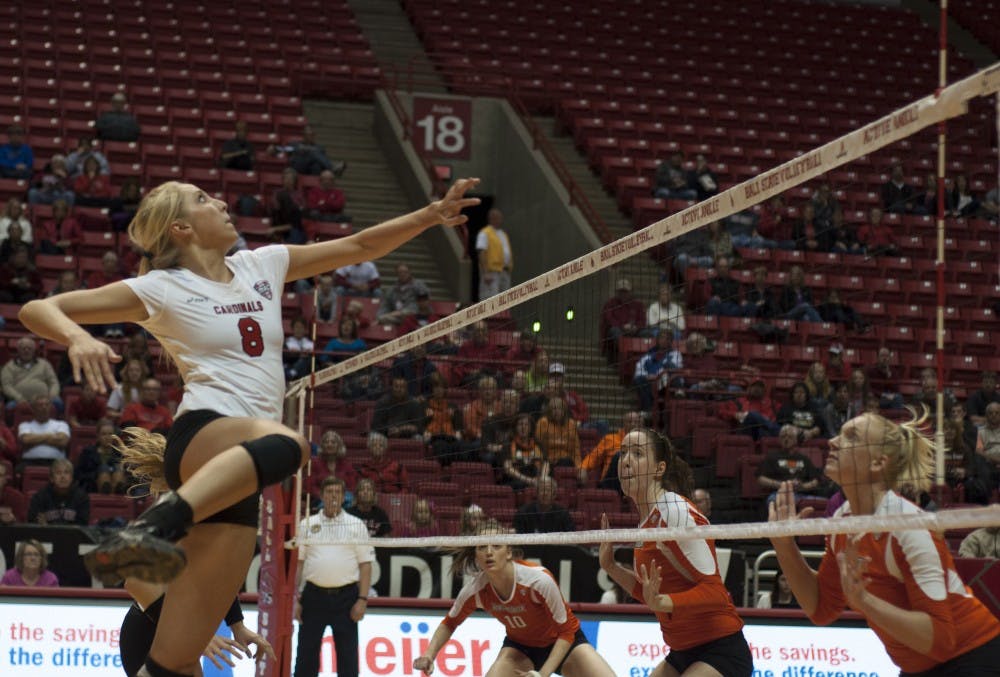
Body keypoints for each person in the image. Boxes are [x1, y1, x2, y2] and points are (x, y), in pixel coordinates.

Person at [17, 176, 479, 677]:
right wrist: (75, 338)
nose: (219, 202)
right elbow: (37, 308)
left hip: (243, 475)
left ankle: (163, 529)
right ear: (182, 228)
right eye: (202, 200)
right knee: (291, 444)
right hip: (205, 432)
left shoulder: (263, 264)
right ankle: (153, 526)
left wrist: (431, 215)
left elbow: (360, 245)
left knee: (174, 667)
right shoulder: (162, 288)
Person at [769, 410, 1000, 675]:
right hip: (919, 666)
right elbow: (822, 608)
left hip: (974, 656)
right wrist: (785, 547)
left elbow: (941, 640)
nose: (832, 441)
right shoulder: (842, 524)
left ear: (878, 463)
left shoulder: (908, 527)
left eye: (851, 436)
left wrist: (865, 602)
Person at [599, 428, 753, 676]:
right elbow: (649, 593)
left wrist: (663, 602)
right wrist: (612, 568)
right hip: (681, 651)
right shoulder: (645, 522)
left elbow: (715, 592)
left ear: (659, 469)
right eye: (623, 452)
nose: (625, 460)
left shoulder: (674, 511)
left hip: (720, 649)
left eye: (637, 454)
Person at [414, 521, 615, 677]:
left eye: (497, 546)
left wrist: (542, 674)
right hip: (521, 649)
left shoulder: (538, 580)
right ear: (476, 555)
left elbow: (566, 632)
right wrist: (429, 654)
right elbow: (450, 622)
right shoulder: (475, 590)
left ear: (509, 552)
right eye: (482, 547)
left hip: (565, 644)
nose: (489, 552)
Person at [295, 477, 372, 677]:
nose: (334, 496)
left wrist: (362, 600)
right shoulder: (307, 524)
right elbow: (299, 564)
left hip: (346, 598)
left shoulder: (356, 525)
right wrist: (295, 598)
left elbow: (365, 565)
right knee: (305, 656)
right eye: (329, 492)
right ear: (322, 496)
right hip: (313, 596)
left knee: (348, 659)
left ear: (343, 496)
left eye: (338, 492)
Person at [756, 425, 825, 503]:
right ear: (779, 440)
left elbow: (815, 481)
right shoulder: (772, 457)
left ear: (796, 440)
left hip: (801, 495)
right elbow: (760, 479)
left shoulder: (804, 459)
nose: (786, 439)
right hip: (779, 494)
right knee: (773, 500)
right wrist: (782, 485)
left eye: (790, 437)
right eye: (783, 437)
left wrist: (802, 486)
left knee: (824, 502)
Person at [27, 458, 89, 525]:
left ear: (71, 478)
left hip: (72, 535)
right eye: (58, 473)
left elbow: (83, 526)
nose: (63, 476)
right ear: (51, 478)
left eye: (66, 472)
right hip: (46, 535)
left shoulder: (81, 498)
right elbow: (33, 522)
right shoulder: (39, 497)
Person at [633, 331, 683, 411]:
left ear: (671, 342)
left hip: (666, 382)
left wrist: (657, 376)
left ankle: (679, 390)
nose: (664, 340)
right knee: (639, 379)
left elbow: (675, 367)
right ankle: (648, 411)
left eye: (667, 339)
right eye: (662, 338)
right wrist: (647, 376)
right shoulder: (648, 354)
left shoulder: (675, 354)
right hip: (651, 382)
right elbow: (639, 368)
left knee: (670, 365)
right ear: (657, 340)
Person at [304, 429, 358, 503]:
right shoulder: (314, 463)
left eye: (333, 442)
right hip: (321, 500)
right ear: (322, 446)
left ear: (339, 446)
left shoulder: (347, 464)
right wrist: (325, 496)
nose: (329, 444)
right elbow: (310, 486)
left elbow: (352, 486)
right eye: (326, 442)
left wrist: (339, 497)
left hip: (343, 500)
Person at [18, 392, 71, 465]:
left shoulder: (61, 424)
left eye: (47, 405)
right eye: (40, 405)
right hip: (30, 462)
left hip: (56, 463)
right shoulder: (25, 425)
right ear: (33, 408)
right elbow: (26, 440)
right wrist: (49, 436)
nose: (44, 407)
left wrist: (35, 438)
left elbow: (62, 442)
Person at [78, 418, 127, 494]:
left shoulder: (120, 454)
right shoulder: (88, 452)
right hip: (93, 487)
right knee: (103, 469)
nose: (107, 437)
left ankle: (116, 492)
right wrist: (98, 475)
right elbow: (80, 475)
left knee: (118, 470)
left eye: (110, 434)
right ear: (98, 435)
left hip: (118, 483)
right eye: (104, 434)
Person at [476, 207, 513, 300]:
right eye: (498, 218)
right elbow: (481, 252)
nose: (500, 220)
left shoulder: (502, 234)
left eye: (501, 218)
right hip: (492, 272)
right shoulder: (485, 233)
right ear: (492, 218)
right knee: (491, 299)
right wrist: (485, 273)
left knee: (505, 301)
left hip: (504, 271)